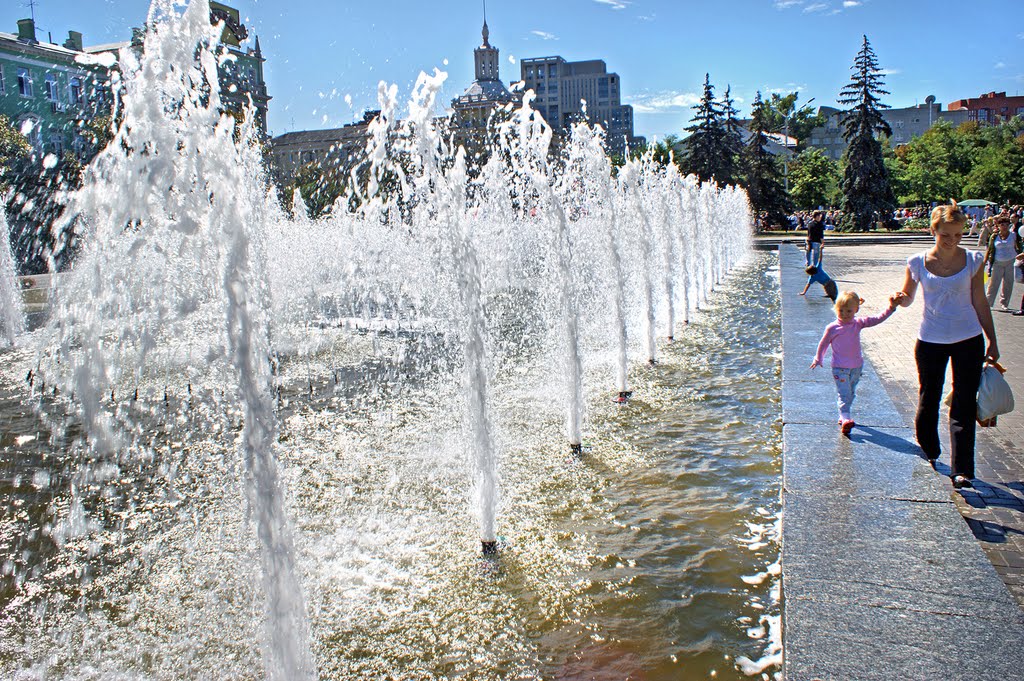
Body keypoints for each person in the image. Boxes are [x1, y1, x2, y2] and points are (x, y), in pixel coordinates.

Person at [897, 201, 999, 489]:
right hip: (930, 340)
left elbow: (980, 300)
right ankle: (929, 451)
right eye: (946, 235)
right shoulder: (917, 262)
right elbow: (908, 297)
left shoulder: (973, 260)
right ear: (933, 230)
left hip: (968, 338)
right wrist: (898, 299)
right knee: (928, 399)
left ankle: (962, 469)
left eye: (958, 235)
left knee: (964, 403)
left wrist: (992, 339)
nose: (953, 241)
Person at [810, 290, 904, 434]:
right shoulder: (833, 327)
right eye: (841, 310)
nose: (845, 314)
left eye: (849, 311)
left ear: (856, 310)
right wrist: (818, 358)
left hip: (856, 367)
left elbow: (877, 319)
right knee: (844, 393)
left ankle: (843, 415)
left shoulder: (858, 323)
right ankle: (846, 417)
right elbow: (824, 343)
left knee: (851, 393)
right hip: (839, 367)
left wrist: (891, 308)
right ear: (836, 309)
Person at [984, 214, 1023, 310]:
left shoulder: (1013, 235)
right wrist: (985, 262)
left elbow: (1018, 246)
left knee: (1008, 284)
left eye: (1006, 224)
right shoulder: (994, 236)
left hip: (1011, 261)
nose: (1004, 227)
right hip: (998, 262)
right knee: (993, 284)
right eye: (1002, 225)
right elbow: (989, 250)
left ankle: (1004, 303)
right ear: (998, 226)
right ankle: (988, 303)